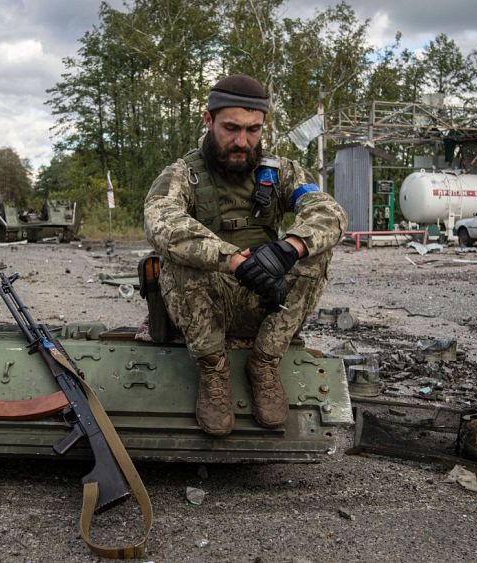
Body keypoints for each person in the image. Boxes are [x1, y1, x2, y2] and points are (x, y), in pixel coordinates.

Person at [143, 74, 347, 437]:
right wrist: (235, 261)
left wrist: (289, 248)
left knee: (317, 249)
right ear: (208, 120)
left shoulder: (281, 172)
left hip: (265, 305)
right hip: (205, 306)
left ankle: (265, 363)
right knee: (179, 253)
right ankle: (213, 369)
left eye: (253, 130)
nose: (242, 141)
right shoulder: (182, 175)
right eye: (231, 128)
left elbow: (328, 212)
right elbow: (161, 221)